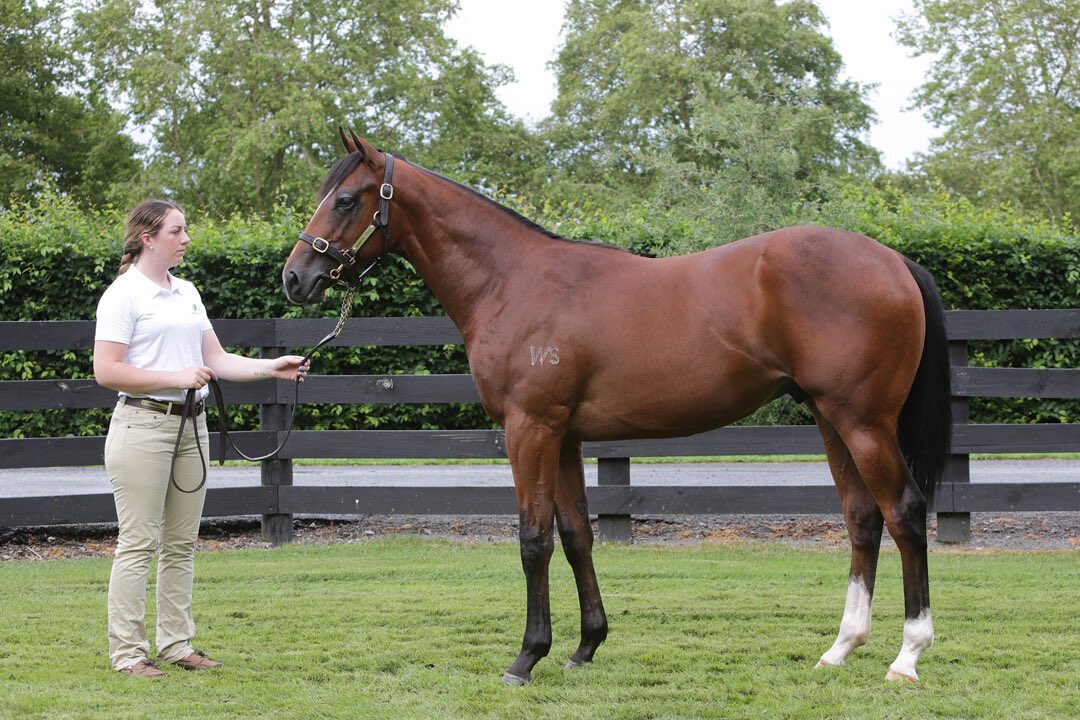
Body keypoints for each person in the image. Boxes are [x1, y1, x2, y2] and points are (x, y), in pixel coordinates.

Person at [93, 199, 308, 678]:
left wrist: (272, 368)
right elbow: (107, 370)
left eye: (184, 230)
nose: (186, 238)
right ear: (149, 238)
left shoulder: (186, 291)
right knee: (138, 542)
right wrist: (176, 374)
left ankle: (176, 645)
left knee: (181, 543)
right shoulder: (123, 295)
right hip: (142, 425)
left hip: (193, 424)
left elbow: (219, 360)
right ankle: (128, 654)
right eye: (177, 230)